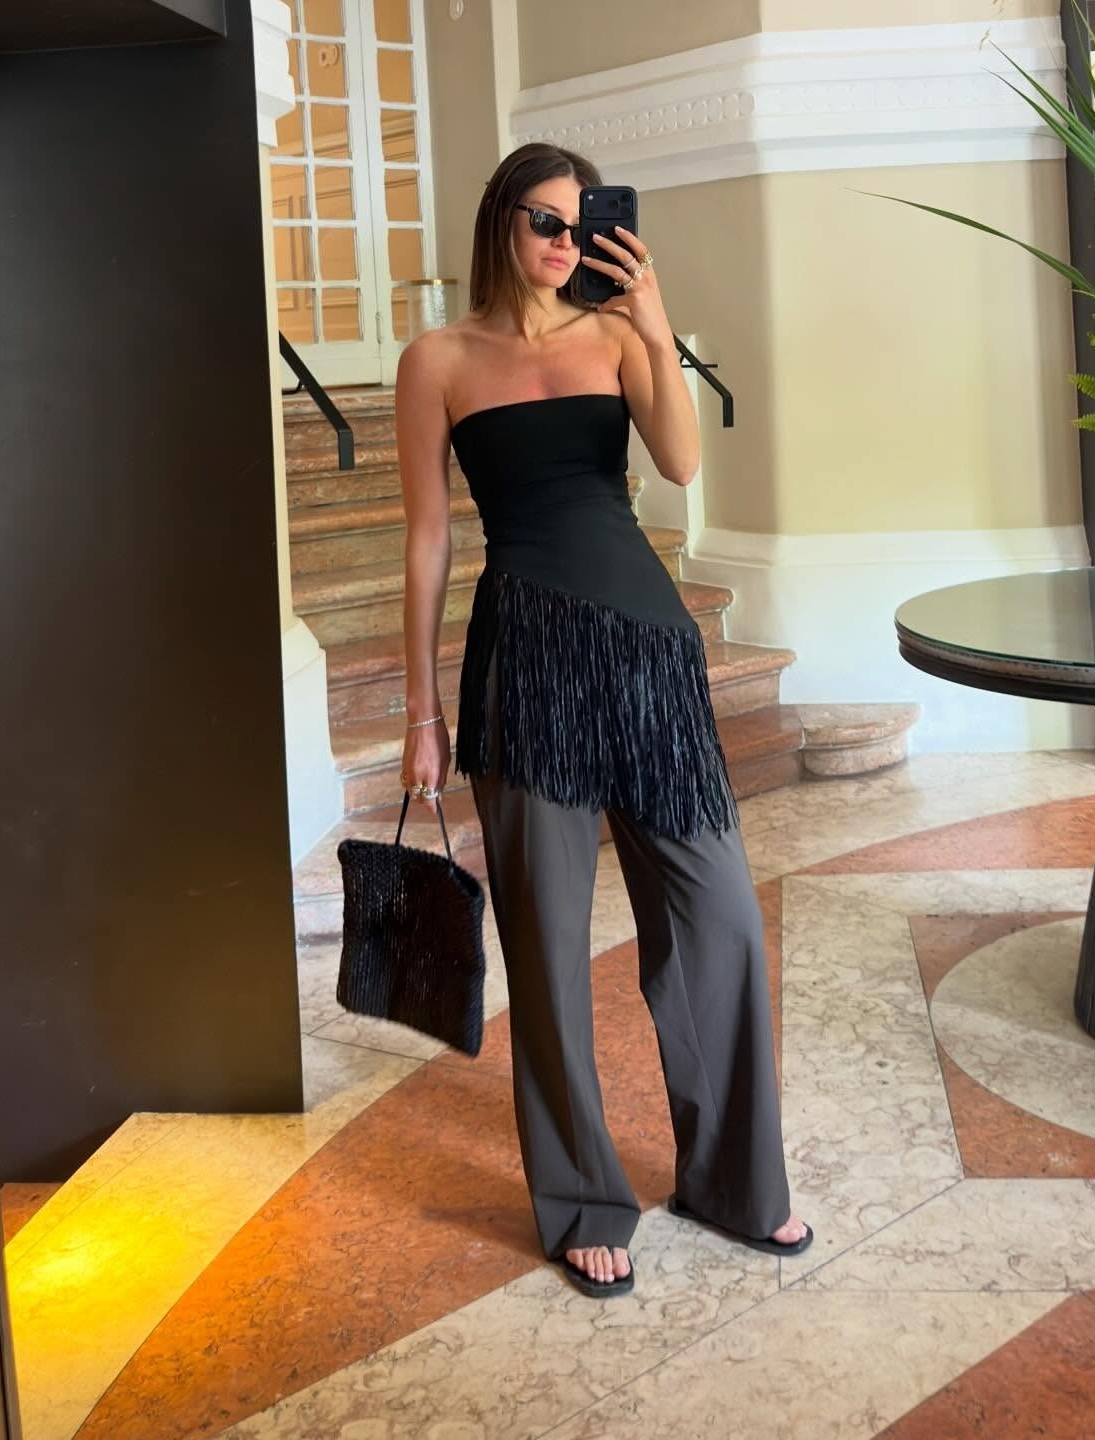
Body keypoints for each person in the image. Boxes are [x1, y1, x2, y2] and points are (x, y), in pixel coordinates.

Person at [393, 142, 811, 1299]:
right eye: (544, 222)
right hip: (525, 664)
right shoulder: (436, 360)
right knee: (548, 942)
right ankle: (580, 1195)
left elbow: (677, 461)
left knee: (719, 916)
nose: (564, 245)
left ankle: (733, 1179)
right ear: (500, 222)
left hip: (648, 660)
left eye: (582, 226)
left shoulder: (621, 337)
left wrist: (656, 311)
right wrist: (420, 708)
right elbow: (427, 538)